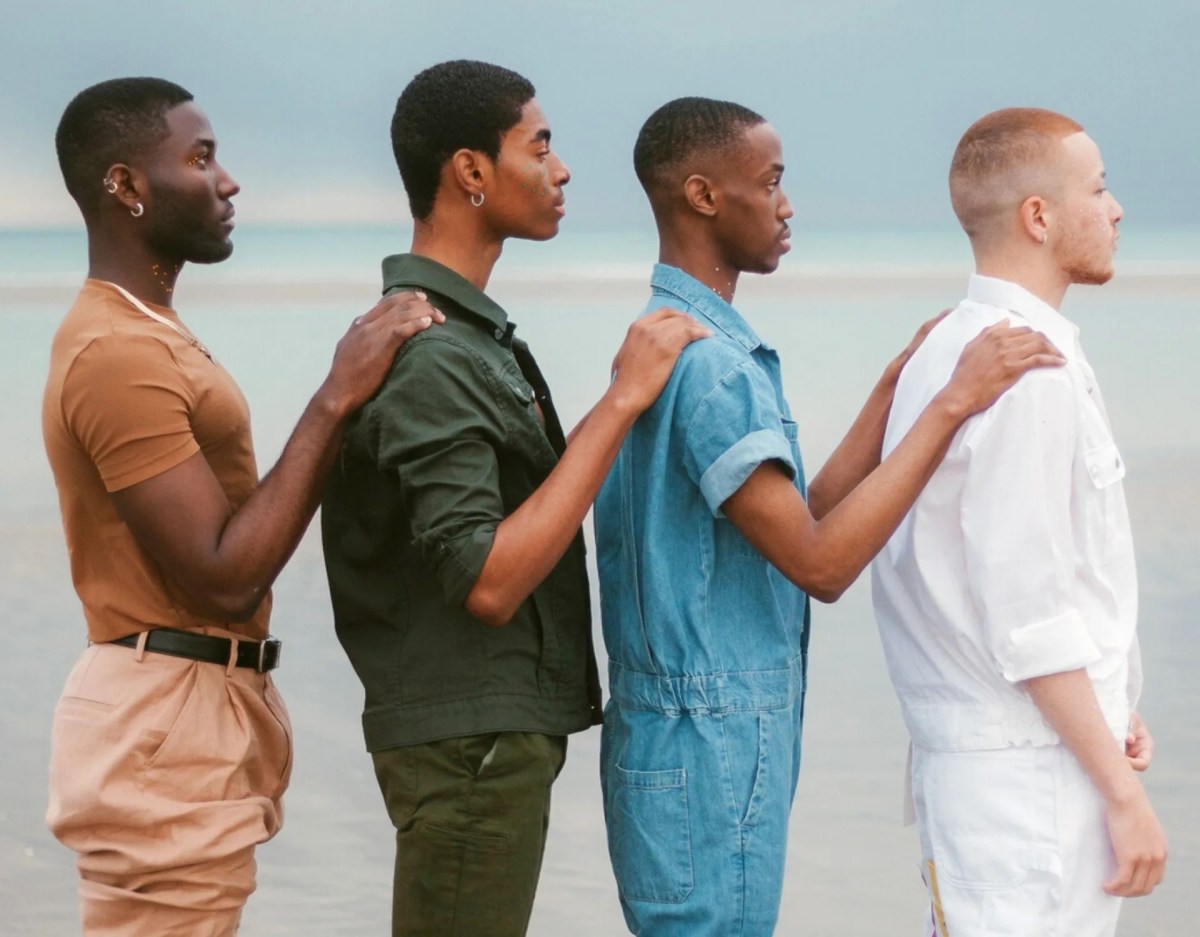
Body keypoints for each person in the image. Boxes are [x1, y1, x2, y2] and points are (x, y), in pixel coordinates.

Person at [593, 97, 1065, 936]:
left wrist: (892, 390)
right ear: (703, 195)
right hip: (709, 750)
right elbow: (820, 563)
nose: (787, 205)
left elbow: (791, 518)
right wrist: (952, 404)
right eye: (770, 182)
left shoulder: (678, 337)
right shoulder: (712, 371)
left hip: (683, 741)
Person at [43, 76, 440, 936]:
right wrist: (337, 395)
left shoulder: (147, 329)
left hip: (184, 708)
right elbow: (222, 576)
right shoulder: (116, 353)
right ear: (125, 185)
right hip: (162, 719)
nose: (227, 182)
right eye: (199, 157)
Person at [319, 60, 708, 937]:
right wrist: (623, 399)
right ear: (470, 171)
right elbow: (488, 579)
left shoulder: (463, 337)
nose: (561, 169)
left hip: (486, 742)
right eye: (538, 145)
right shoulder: (435, 353)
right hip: (469, 751)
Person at [870, 106, 1167, 936]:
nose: (1115, 209)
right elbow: (1025, 611)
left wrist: (1112, 700)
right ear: (1039, 216)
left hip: (1006, 770)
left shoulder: (958, 347)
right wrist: (1124, 793)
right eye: (1099, 188)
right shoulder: (1022, 367)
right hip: (1027, 786)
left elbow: (1025, 580)